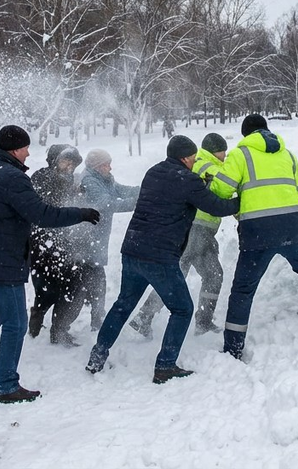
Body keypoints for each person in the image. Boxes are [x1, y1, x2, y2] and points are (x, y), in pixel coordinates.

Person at [0, 125, 99, 404]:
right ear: (15, 149)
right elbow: (40, 214)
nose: (29, 153)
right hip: (3, 260)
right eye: (26, 147)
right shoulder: (12, 177)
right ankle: (6, 385)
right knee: (15, 324)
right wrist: (80, 213)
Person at [86, 136, 239, 384]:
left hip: (133, 249)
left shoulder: (153, 172)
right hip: (159, 255)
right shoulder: (188, 180)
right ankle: (165, 366)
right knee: (182, 309)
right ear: (184, 158)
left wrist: (200, 184)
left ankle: (97, 356)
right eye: (192, 158)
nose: (195, 161)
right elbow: (216, 206)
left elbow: (173, 193)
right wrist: (244, 200)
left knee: (123, 304)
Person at [210, 114, 298, 360]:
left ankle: (233, 349)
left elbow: (221, 189)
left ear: (246, 135)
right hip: (291, 225)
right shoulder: (288, 155)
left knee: (243, 288)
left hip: (257, 231)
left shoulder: (241, 154)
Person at [131, 133, 226, 337]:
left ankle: (200, 321)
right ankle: (145, 316)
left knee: (211, 275)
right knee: (180, 274)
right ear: (213, 150)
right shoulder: (209, 166)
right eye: (223, 150)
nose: (225, 155)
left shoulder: (200, 162)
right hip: (196, 229)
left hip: (201, 230)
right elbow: (227, 188)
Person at [27, 144, 85, 347]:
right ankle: (39, 317)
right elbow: (44, 208)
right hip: (44, 242)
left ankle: (58, 328)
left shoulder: (70, 179)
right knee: (47, 287)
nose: (69, 165)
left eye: (72, 162)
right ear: (54, 160)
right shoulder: (41, 177)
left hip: (66, 241)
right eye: (65, 160)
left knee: (72, 286)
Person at [75, 149, 138, 332]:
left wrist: (147, 189)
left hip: (98, 239)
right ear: (96, 166)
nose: (110, 167)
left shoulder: (105, 177)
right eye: (106, 164)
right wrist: (138, 203)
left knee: (93, 283)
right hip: (87, 240)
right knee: (91, 283)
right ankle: (70, 327)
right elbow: (106, 203)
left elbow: (122, 190)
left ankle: (95, 320)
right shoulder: (89, 180)